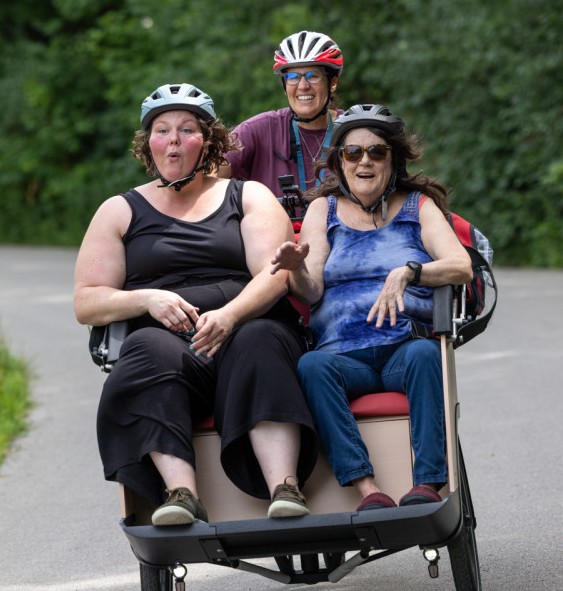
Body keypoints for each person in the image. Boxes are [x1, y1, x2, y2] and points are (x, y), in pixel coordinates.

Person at [74, 83, 318, 525]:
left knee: (260, 339)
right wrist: (146, 297)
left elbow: (275, 272)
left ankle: (285, 487)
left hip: (248, 326)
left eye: (187, 130)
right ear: (147, 142)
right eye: (162, 130)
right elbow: (87, 301)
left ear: (207, 141)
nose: (173, 140)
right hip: (174, 347)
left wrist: (230, 315)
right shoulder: (119, 210)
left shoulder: (246, 195)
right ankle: (181, 493)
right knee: (145, 351)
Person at [270, 104, 473, 511]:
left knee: (422, 353)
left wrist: (410, 271)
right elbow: (311, 292)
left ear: (393, 159)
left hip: (403, 349)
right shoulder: (321, 209)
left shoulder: (418, 205)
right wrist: (295, 271)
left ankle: (429, 485)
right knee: (311, 366)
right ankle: (368, 490)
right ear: (339, 162)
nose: (365, 161)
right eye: (352, 153)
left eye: (377, 152)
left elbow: (461, 266)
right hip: (343, 358)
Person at [217, 30, 345, 202]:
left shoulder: (353, 130)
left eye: (313, 76)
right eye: (293, 77)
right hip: (275, 228)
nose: (303, 86)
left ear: (333, 83)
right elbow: (208, 180)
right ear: (285, 85)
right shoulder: (259, 129)